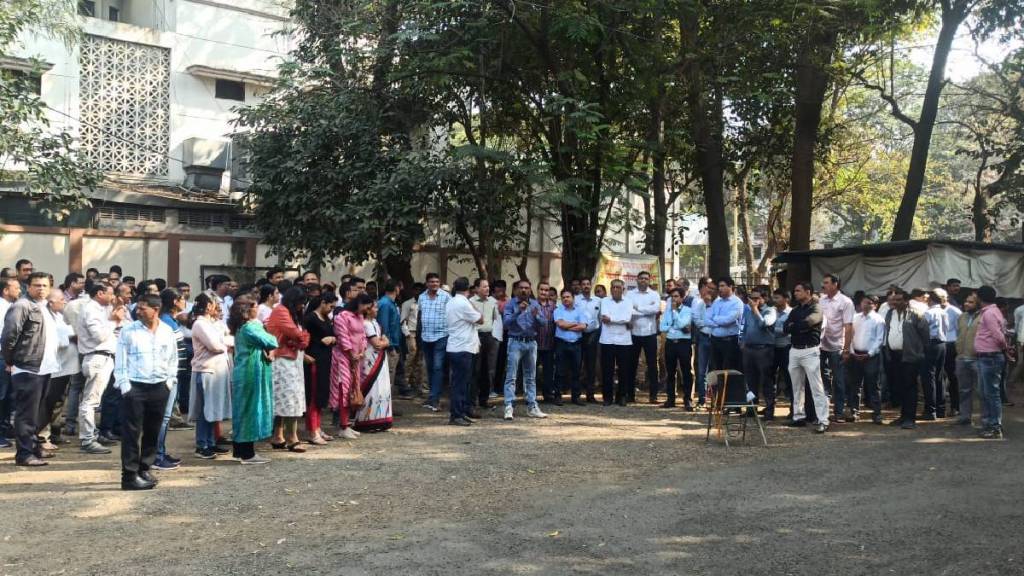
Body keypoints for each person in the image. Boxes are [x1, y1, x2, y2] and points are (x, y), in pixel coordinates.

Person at [114, 293, 178, 490]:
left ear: (155, 310)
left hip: (159, 386)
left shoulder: (167, 331)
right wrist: (125, 386)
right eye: (138, 308)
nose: (138, 311)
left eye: (143, 308)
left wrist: (169, 382)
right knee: (132, 432)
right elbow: (121, 360)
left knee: (153, 430)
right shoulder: (128, 331)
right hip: (135, 387)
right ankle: (129, 476)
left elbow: (173, 359)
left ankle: (144, 468)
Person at [1, 272, 59, 466]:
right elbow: (9, 337)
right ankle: (24, 454)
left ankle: (34, 447)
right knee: (26, 413)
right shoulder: (21, 306)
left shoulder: (45, 308)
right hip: (27, 367)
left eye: (44, 285)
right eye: (37, 285)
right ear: (29, 287)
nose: (41, 288)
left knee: (38, 413)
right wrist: (11, 361)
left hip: (45, 367)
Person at [76, 282, 126, 454]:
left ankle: (92, 435)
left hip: (105, 358)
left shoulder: (101, 309)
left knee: (94, 400)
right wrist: (113, 320)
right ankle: (87, 439)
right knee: (90, 401)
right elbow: (98, 336)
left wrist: (116, 314)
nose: (113, 297)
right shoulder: (90, 310)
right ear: (99, 293)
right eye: (110, 293)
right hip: (97, 356)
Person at [228, 297, 278, 464]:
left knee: (242, 411)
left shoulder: (242, 327)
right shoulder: (250, 327)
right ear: (247, 310)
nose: (258, 309)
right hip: (250, 373)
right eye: (255, 307)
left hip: (245, 371)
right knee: (249, 411)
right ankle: (248, 454)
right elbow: (272, 341)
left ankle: (240, 451)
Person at [266, 287, 311, 453]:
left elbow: (301, 336)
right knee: (289, 398)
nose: (302, 307)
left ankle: (278, 436)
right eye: (300, 303)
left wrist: (301, 339)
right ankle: (292, 437)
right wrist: (302, 338)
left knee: (288, 398)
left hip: (292, 358)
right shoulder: (281, 311)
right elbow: (296, 333)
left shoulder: (289, 313)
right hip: (283, 360)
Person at [188, 295, 233, 459]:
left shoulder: (212, 324)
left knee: (213, 408)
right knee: (205, 409)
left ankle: (211, 441)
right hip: (206, 371)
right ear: (208, 306)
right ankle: (202, 444)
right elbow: (214, 346)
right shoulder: (200, 324)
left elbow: (228, 338)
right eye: (215, 304)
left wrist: (224, 341)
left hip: (217, 370)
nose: (218, 308)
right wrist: (225, 343)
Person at [784, 282, 829, 433]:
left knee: (816, 387)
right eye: (795, 291)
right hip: (795, 350)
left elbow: (811, 322)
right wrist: (799, 327)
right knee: (796, 387)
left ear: (807, 292)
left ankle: (823, 420)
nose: (795, 293)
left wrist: (795, 326)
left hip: (810, 351)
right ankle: (798, 416)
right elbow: (785, 328)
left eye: (798, 291)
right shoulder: (796, 310)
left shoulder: (816, 308)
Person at [152, 288, 190, 471]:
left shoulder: (171, 321)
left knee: (165, 418)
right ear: (175, 301)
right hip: (167, 376)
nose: (184, 301)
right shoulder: (166, 322)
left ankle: (161, 451)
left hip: (174, 375)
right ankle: (156, 455)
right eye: (182, 298)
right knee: (163, 417)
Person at [882, 289, 930, 429]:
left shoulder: (916, 314)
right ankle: (903, 416)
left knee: (910, 387)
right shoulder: (890, 313)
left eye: (898, 300)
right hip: (894, 355)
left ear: (906, 301)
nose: (895, 302)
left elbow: (925, 335)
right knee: (899, 387)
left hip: (910, 356)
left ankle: (910, 418)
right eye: (893, 300)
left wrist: (919, 352)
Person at [501, 279, 547, 420]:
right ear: (516, 290)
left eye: (526, 288)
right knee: (511, 376)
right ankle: (509, 406)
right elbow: (506, 324)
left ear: (530, 289)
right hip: (515, 342)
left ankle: (532, 406)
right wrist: (518, 312)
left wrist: (536, 316)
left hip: (531, 343)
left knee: (530, 377)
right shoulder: (510, 304)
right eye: (521, 288)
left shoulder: (535, 304)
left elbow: (544, 323)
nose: (524, 290)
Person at [36, 290, 76, 451]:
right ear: (51, 302)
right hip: (53, 367)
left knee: (58, 402)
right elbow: (54, 341)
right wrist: (71, 337)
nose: (64, 302)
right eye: (61, 299)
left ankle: (55, 433)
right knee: (46, 403)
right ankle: (41, 436)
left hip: (65, 368)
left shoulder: (59, 316)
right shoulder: (46, 317)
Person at [331, 293, 372, 440]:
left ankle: (347, 424)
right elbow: (342, 337)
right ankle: (342, 425)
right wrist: (350, 353)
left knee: (353, 391)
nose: (368, 309)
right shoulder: (342, 316)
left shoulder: (360, 317)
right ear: (360, 303)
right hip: (343, 358)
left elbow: (362, 336)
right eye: (367, 305)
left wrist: (361, 351)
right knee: (344, 390)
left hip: (356, 359)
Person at [974, 285, 1011, 439]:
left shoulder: (989, 313)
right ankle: (989, 424)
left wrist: (1005, 349)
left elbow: (998, 336)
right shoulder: (994, 311)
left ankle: (995, 427)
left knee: (991, 394)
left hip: (990, 357)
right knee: (986, 393)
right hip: (988, 357)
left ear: (980, 298)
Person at [445, 277, 482, 426]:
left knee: (460, 382)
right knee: (460, 383)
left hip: (456, 346)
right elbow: (481, 319)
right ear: (468, 289)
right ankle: (456, 415)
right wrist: (474, 305)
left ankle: (460, 412)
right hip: (463, 347)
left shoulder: (451, 301)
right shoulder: (464, 303)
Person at [302, 291, 338, 444]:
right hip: (314, 359)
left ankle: (318, 427)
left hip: (326, 359)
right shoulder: (310, 319)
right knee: (314, 395)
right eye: (330, 306)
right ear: (323, 302)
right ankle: (312, 430)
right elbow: (305, 339)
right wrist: (320, 341)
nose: (331, 309)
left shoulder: (327, 318)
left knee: (322, 394)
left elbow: (333, 335)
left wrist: (332, 339)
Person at [353, 300, 395, 431]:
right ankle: (367, 420)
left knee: (381, 387)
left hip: (380, 358)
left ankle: (380, 418)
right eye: (375, 307)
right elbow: (377, 343)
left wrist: (384, 342)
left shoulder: (375, 323)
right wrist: (385, 343)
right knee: (372, 388)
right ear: (368, 309)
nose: (377, 310)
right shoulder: (366, 324)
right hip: (370, 359)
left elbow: (383, 339)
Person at [845, 295, 885, 423]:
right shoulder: (855, 318)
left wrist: (869, 354)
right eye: (863, 302)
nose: (865, 305)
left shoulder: (878, 320)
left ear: (875, 305)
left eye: (869, 303)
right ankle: (854, 411)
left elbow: (879, 339)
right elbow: (850, 335)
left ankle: (877, 413)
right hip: (855, 354)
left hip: (871, 356)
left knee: (873, 385)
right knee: (855, 384)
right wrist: (851, 351)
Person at [819, 274, 854, 422]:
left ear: (835, 284)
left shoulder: (845, 302)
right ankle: (823, 412)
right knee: (822, 380)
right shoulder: (821, 300)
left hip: (837, 346)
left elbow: (849, 326)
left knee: (838, 381)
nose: (823, 285)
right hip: (821, 346)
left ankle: (838, 412)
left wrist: (846, 349)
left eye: (826, 283)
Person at [740, 286, 777, 413]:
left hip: (764, 350)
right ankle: (751, 408)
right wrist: (742, 341)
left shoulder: (770, 311)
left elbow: (764, 324)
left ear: (764, 298)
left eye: (757, 298)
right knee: (750, 380)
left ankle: (769, 409)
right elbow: (745, 327)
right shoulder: (748, 311)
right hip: (749, 349)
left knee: (766, 380)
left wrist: (755, 310)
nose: (753, 301)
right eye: (751, 298)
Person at [417, 273, 451, 412]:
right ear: (427, 283)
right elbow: (420, 316)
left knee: (437, 367)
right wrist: (418, 336)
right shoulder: (421, 297)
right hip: (426, 337)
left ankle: (435, 399)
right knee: (430, 367)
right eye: (431, 282)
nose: (434, 284)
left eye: (437, 281)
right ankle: (432, 396)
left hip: (441, 336)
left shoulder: (446, 297)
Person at [627, 271, 661, 403]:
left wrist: (638, 308)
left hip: (650, 333)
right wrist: (646, 309)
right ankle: (630, 395)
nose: (643, 280)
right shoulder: (629, 294)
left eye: (646, 279)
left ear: (649, 280)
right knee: (632, 365)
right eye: (641, 278)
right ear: (636, 280)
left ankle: (653, 396)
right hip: (634, 334)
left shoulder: (654, 294)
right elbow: (629, 310)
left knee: (652, 365)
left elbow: (655, 309)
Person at [599, 279, 633, 407]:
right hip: (607, 340)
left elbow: (627, 318)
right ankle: (607, 397)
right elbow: (605, 318)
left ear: (623, 289)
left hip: (624, 341)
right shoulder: (605, 301)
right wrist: (622, 320)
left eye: (618, 287)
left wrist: (613, 319)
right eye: (613, 287)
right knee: (607, 370)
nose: (615, 290)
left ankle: (622, 396)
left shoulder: (629, 302)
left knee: (624, 370)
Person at [470, 278, 502, 410]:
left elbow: (495, 318)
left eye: (488, 287)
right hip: (475, 336)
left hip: (489, 336)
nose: (487, 289)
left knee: (488, 369)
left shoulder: (493, 302)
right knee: (475, 369)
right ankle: (473, 399)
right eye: (484, 287)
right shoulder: (470, 302)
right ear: (476, 289)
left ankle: (484, 399)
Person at [553, 288, 588, 406]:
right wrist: (574, 323)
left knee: (576, 371)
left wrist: (567, 325)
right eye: (563, 297)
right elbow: (560, 324)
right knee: (559, 371)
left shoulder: (580, 311)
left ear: (573, 298)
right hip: (561, 343)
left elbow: (583, 326)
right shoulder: (558, 310)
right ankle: (558, 396)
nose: (565, 299)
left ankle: (576, 397)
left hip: (576, 343)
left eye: (568, 297)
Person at [660, 288, 693, 409]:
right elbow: (662, 327)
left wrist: (674, 314)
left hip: (683, 343)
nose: (674, 299)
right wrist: (675, 327)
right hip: (670, 343)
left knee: (686, 371)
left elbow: (681, 324)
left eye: (676, 296)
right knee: (670, 372)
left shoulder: (688, 310)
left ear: (682, 298)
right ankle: (670, 399)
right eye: (672, 297)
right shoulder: (667, 311)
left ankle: (687, 399)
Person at [377, 280, 408, 401]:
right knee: (388, 376)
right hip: (390, 345)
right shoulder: (385, 304)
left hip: (395, 343)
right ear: (396, 289)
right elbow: (384, 326)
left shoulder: (391, 303)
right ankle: (385, 404)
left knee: (393, 375)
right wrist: (390, 346)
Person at [0, 277, 22, 448]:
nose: (19, 291)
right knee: (2, 395)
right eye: (16, 288)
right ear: (6, 290)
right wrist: (7, 358)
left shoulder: (10, 307)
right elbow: (5, 336)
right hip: (3, 356)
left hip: (8, 357)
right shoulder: (2, 308)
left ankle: (5, 429)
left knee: (9, 397)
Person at [922, 289, 950, 420]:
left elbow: (924, 330)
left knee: (929, 378)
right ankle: (941, 409)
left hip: (931, 344)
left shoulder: (928, 313)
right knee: (939, 376)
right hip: (942, 344)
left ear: (930, 300)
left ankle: (930, 410)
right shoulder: (944, 312)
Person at [955, 293, 981, 427]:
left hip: (978, 358)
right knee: (964, 390)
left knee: (982, 391)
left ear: (978, 304)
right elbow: (958, 334)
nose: (966, 304)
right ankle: (965, 417)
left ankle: (986, 420)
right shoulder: (961, 317)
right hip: (961, 357)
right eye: (966, 301)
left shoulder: (983, 317)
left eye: (971, 302)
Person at [706, 277, 743, 372]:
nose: (719, 288)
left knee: (728, 370)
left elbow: (727, 320)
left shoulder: (737, 303)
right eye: (719, 286)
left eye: (722, 286)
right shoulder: (717, 302)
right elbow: (707, 318)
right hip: (715, 340)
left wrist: (715, 319)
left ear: (730, 287)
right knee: (715, 370)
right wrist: (718, 321)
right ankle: (718, 387)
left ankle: (727, 387)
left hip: (729, 342)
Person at [690, 278, 716, 410]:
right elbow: (696, 319)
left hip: (717, 339)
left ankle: (716, 400)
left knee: (716, 370)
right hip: (704, 337)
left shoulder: (718, 304)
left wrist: (711, 323)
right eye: (708, 288)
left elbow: (718, 321)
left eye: (712, 289)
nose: (709, 291)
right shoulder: (699, 303)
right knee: (701, 371)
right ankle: (702, 399)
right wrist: (707, 325)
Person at [576, 278, 601, 403]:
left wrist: (596, 335)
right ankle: (576, 394)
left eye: (588, 284)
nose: (586, 286)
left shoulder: (598, 301)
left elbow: (600, 320)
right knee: (577, 365)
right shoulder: (575, 300)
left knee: (591, 366)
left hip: (593, 335)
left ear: (591, 286)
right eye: (583, 284)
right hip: (578, 335)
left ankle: (590, 394)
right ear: (580, 286)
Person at [535, 281, 559, 405]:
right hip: (534, 344)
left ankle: (548, 394)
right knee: (532, 371)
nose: (544, 292)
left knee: (548, 371)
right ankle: (531, 395)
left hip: (549, 344)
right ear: (537, 290)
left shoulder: (554, 306)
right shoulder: (532, 305)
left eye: (546, 290)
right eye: (542, 290)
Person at [400, 282, 424, 396]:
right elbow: (403, 320)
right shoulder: (407, 303)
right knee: (412, 354)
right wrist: (407, 334)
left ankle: (418, 384)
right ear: (413, 291)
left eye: (420, 290)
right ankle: (406, 381)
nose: (418, 292)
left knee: (419, 359)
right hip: (412, 332)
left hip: (423, 333)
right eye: (416, 289)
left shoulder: (425, 302)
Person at [942, 290, 962, 416]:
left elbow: (959, 330)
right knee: (939, 377)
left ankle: (955, 406)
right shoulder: (932, 310)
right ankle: (941, 406)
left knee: (952, 377)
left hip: (951, 345)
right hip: (938, 345)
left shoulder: (955, 311)